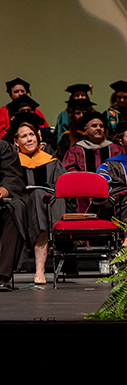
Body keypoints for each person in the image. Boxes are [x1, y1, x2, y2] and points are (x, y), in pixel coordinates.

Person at [6, 113, 66, 285]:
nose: (29, 139)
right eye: (24, 136)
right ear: (16, 142)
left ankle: (40, 269)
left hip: (48, 203)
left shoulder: (50, 160)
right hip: (21, 203)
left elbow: (60, 186)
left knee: (40, 198)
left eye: (32, 134)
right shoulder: (11, 161)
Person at [0, 138, 27, 290]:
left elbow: (11, 174)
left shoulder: (3, 147)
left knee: (16, 208)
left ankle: (2, 276)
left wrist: (4, 189)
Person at [63, 110, 123, 176]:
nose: (98, 128)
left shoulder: (115, 149)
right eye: (94, 126)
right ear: (86, 130)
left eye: (101, 126)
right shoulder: (75, 150)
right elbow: (70, 171)